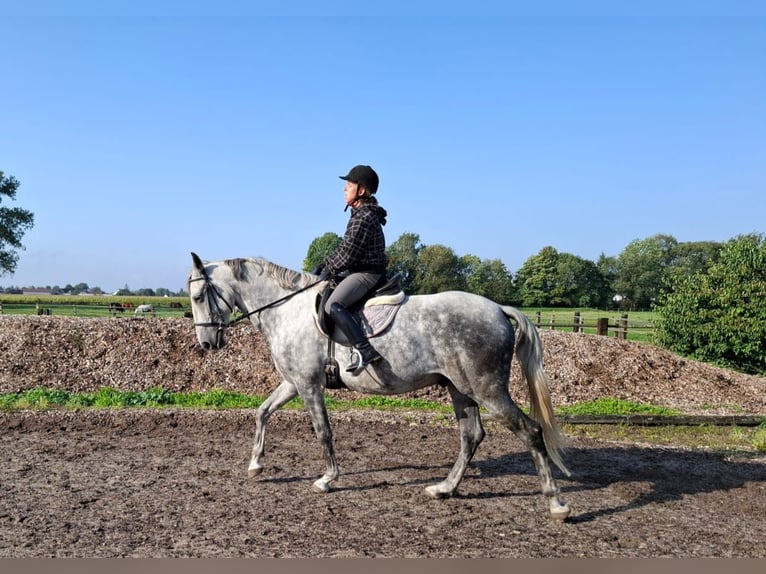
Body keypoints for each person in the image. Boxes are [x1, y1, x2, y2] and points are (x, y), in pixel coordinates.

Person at [314, 165, 388, 372]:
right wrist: (324, 264)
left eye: (349, 185)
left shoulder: (363, 217)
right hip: (361, 271)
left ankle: (365, 349)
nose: (344, 189)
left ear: (362, 191)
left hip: (366, 273)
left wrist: (327, 268)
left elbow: (348, 254)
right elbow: (345, 249)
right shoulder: (360, 214)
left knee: (333, 304)